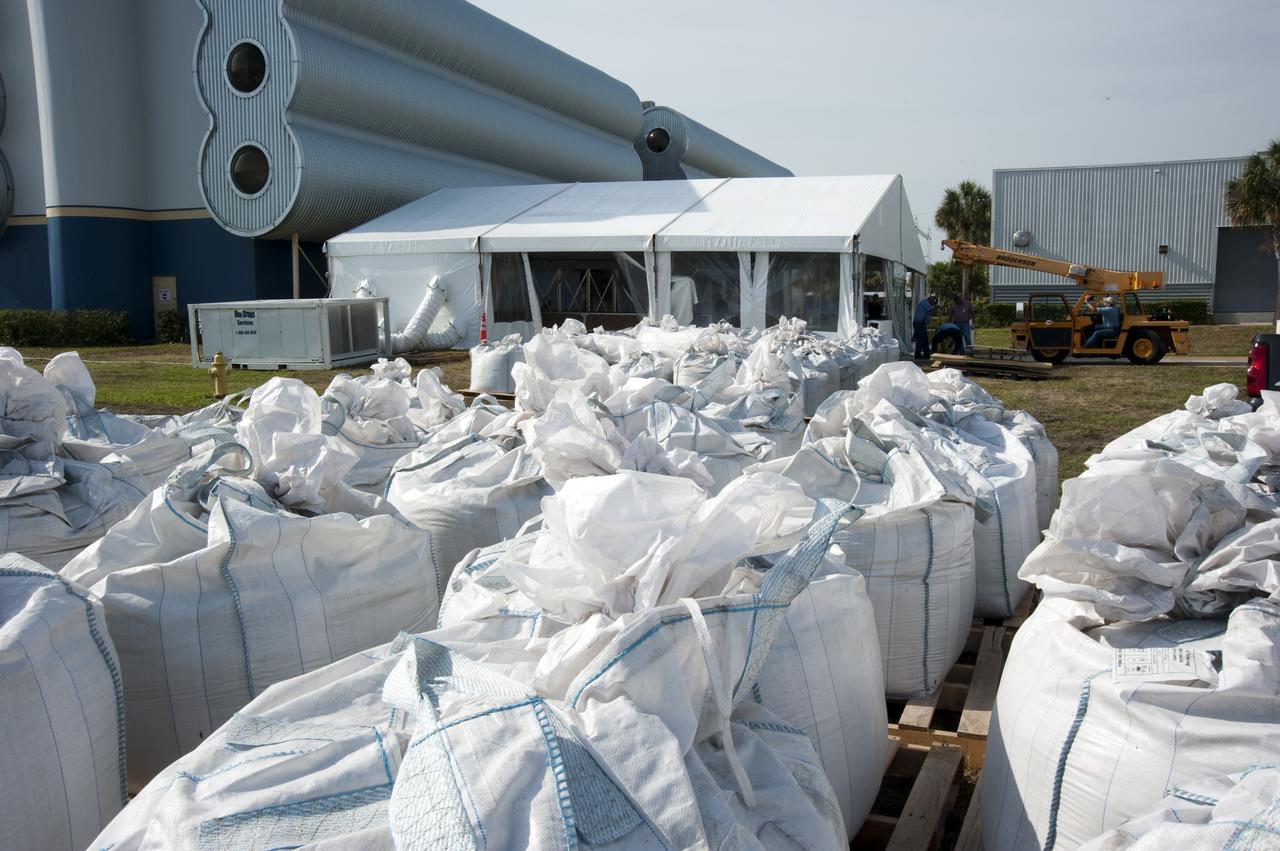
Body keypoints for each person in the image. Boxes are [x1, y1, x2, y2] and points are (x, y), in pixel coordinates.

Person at [913, 294, 938, 360]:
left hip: (921, 323)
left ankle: (926, 356)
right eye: (933, 303)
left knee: (925, 340)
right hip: (919, 323)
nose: (933, 304)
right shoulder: (925, 303)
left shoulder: (927, 303)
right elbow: (932, 309)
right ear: (930, 300)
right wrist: (937, 308)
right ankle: (917, 355)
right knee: (920, 340)